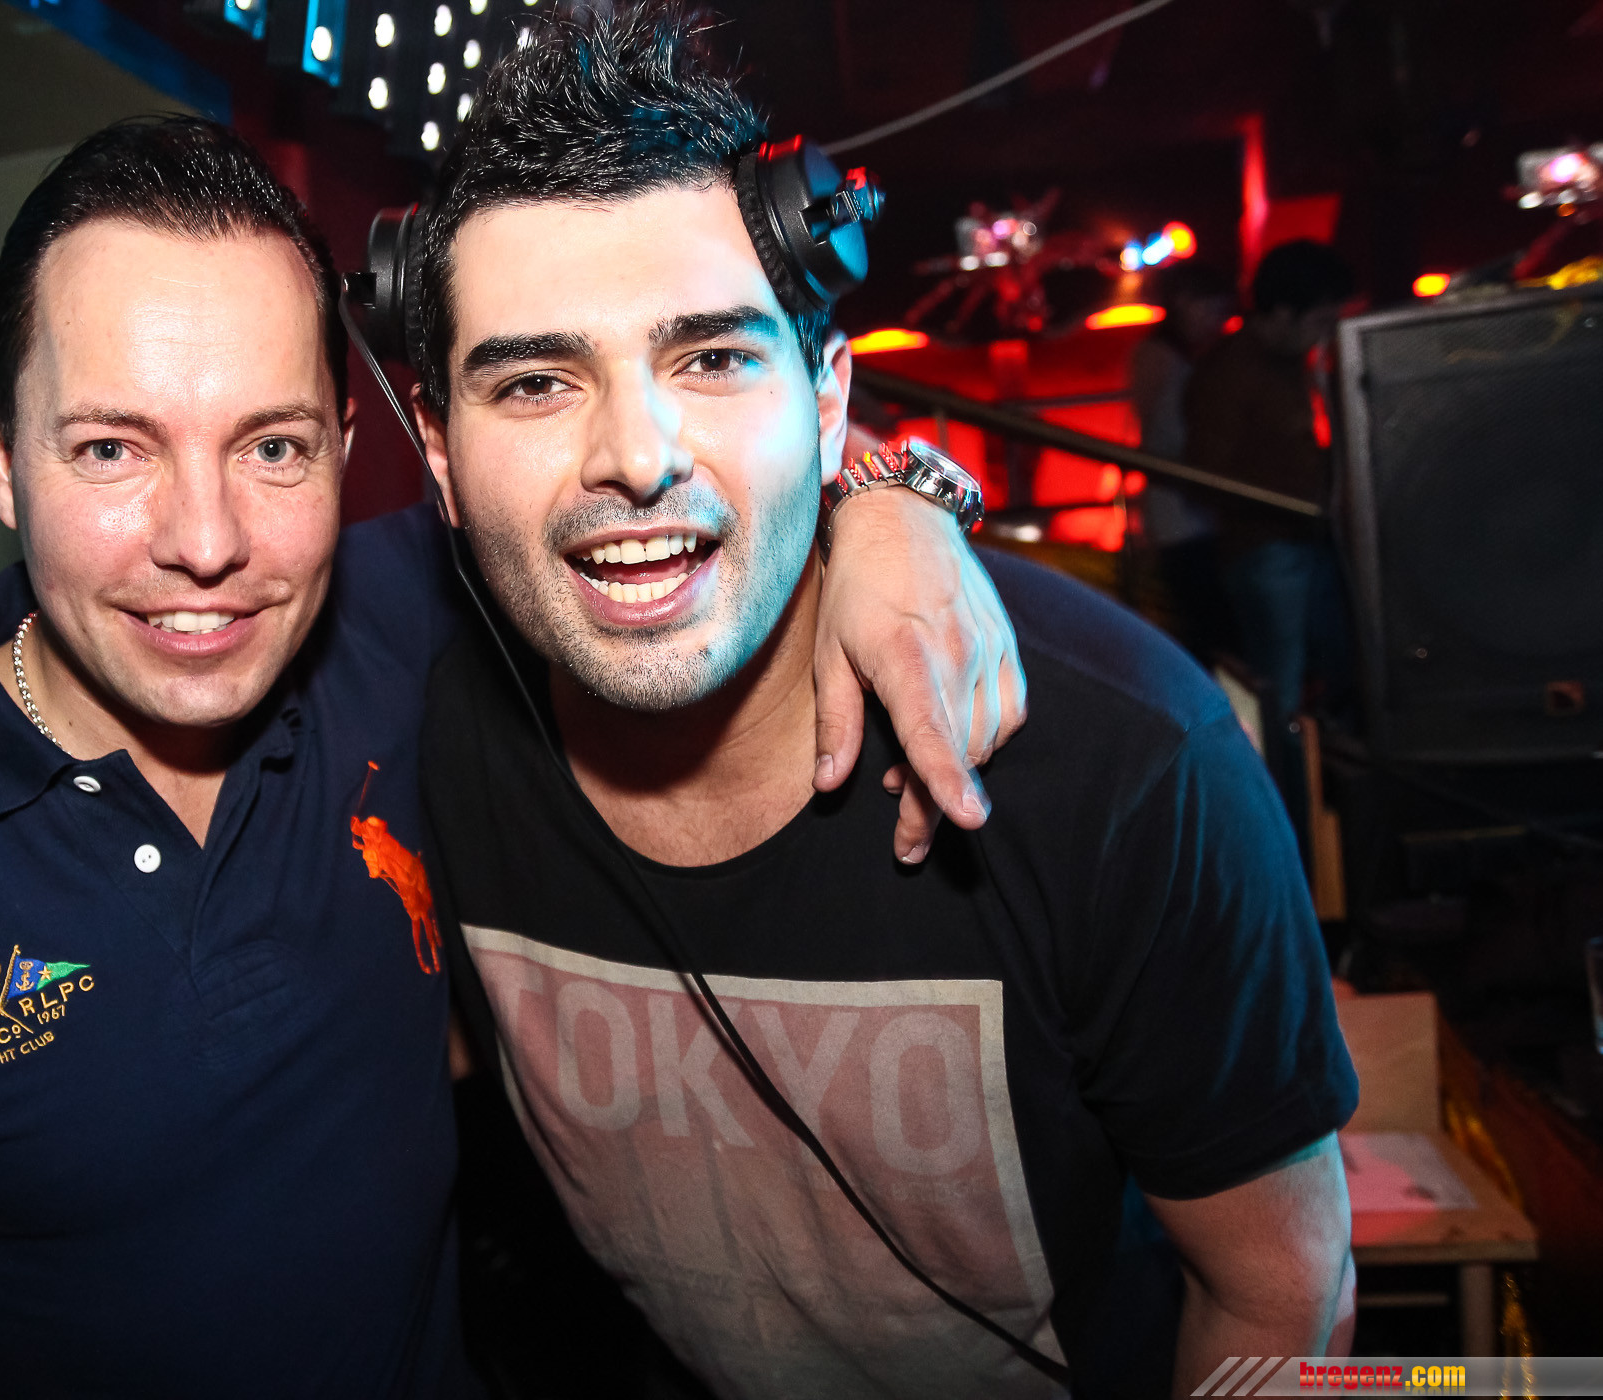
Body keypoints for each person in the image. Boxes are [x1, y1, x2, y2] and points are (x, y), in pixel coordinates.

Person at [0, 115, 1025, 1397]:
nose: (206, 541)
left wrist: (897, 506)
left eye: (273, 448)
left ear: (349, 448)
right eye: (111, 451)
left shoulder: (408, 629)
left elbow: (676, 461)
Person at [410, 8, 1358, 1397]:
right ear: (439, 454)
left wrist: (903, 497)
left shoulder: (1127, 766)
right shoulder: (426, 727)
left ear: (829, 401)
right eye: (538, 381)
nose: (635, 455)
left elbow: (1282, 1291)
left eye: (714, 358)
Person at [1183, 240, 1357, 843]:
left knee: (1335, 666)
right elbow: (1207, 470)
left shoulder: (1294, 365)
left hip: (1308, 537)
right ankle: (1285, 824)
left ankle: (1323, 804)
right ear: (1282, 313)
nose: (1325, 332)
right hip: (1269, 545)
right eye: (1319, 319)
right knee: (1279, 685)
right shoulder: (1230, 372)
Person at [1126, 260, 1237, 665]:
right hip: (1183, 513)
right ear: (1185, 302)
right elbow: (1166, 434)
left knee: (1202, 623)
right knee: (1207, 625)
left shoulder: (1165, 356)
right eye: (1213, 310)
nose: (1218, 322)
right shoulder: (1164, 358)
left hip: (1182, 512)